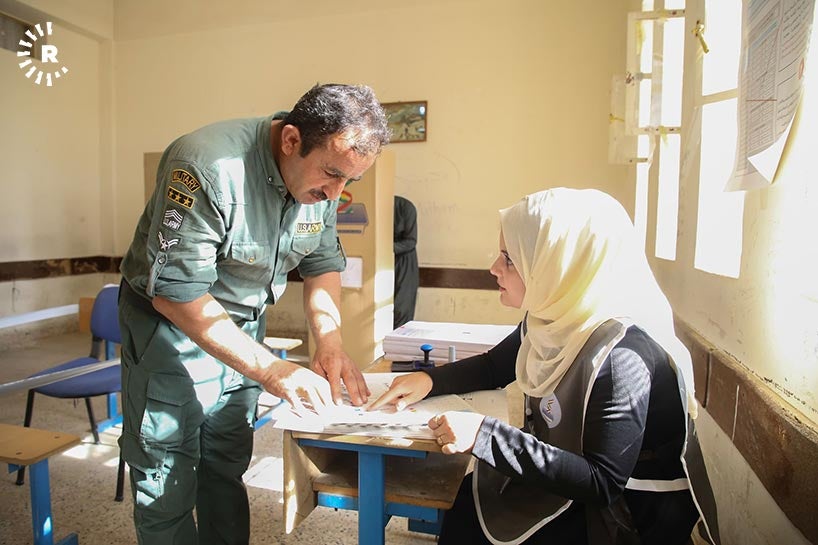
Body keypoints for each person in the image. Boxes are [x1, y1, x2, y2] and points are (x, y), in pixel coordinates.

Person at [117, 83, 390, 545]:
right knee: (167, 471)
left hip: (244, 326)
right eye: (331, 174)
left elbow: (322, 265)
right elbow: (177, 295)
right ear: (291, 141)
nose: (335, 193)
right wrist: (273, 369)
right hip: (169, 330)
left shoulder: (322, 185)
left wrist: (330, 342)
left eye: (350, 181)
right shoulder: (205, 166)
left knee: (225, 460)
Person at [370, 188, 721, 545]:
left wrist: (484, 435)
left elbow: (603, 482)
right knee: (468, 503)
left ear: (559, 265)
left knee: (475, 513)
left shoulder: (622, 357)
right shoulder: (554, 319)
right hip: (570, 477)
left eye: (509, 258)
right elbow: (495, 366)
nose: (494, 268)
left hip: (623, 517)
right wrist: (427, 380)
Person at [393, 195, 418, 329]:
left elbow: (411, 241)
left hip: (404, 263)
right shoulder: (373, 206)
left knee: (401, 309)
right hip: (380, 262)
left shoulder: (404, 206)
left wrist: (386, 248)